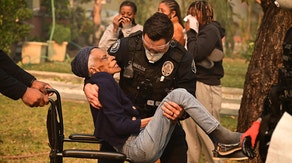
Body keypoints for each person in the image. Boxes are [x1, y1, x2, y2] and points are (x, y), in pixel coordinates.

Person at [71, 46, 253, 163]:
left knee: (177, 99)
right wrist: (155, 119)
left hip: (138, 144)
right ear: (93, 70)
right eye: (104, 57)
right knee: (178, 94)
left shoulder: (101, 81)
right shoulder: (103, 81)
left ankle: (221, 140)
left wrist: (88, 83)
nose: (111, 56)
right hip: (135, 147)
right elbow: (120, 125)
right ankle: (222, 138)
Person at [85, 12, 196, 163]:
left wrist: (181, 112)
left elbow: (189, 95)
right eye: (147, 47)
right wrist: (88, 85)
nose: (151, 53)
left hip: (162, 120)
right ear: (143, 35)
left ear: (170, 41)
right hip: (126, 117)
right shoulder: (127, 45)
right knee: (108, 151)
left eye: (157, 50)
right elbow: (98, 68)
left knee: (178, 149)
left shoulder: (182, 58)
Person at [181, 1, 227, 162]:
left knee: (208, 133)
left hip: (206, 86)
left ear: (204, 14)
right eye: (189, 14)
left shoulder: (211, 30)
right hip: (191, 85)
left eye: (194, 14)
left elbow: (194, 52)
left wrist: (192, 32)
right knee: (190, 134)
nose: (191, 17)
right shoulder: (198, 32)